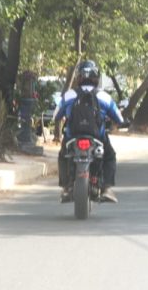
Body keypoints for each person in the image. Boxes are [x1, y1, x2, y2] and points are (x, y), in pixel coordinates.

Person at [54, 60, 127, 203]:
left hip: (71, 137)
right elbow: (119, 118)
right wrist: (120, 123)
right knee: (110, 156)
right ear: (96, 77)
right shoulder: (103, 96)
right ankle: (106, 188)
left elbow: (56, 114)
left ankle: (66, 186)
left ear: (78, 77)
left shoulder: (69, 95)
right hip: (97, 136)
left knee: (63, 156)